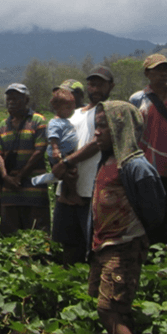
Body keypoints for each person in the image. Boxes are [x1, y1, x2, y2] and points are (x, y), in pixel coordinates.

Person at [90, 101, 165, 334]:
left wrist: (140, 240)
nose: (97, 132)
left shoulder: (136, 167)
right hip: (104, 246)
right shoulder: (107, 160)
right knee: (114, 306)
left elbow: (155, 213)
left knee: (107, 310)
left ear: (120, 127)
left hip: (125, 247)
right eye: (96, 126)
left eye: (104, 126)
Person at [51, 66, 114, 265]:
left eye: (100, 84)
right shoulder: (75, 113)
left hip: (91, 190)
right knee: (67, 245)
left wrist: (67, 161)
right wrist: (61, 163)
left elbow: (98, 143)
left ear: (110, 86)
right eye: (92, 84)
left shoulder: (109, 111)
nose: (95, 88)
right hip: (67, 191)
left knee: (92, 246)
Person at [0, 83, 50, 236]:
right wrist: (5, 177)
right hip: (10, 192)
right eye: (9, 99)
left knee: (36, 235)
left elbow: (39, 151)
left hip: (34, 191)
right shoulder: (3, 125)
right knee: (9, 235)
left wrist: (19, 176)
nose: (11, 102)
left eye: (16, 99)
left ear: (26, 100)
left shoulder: (38, 121)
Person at [131, 54, 167, 217]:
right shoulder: (138, 99)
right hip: (147, 165)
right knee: (152, 213)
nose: (163, 73)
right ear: (147, 73)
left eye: (165, 69)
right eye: (158, 70)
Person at [46, 89, 82, 205]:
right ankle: (69, 195)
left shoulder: (64, 120)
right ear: (57, 107)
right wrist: (56, 150)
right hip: (60, 153)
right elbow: (53, 137)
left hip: (67, 152)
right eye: (67, 108)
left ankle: (66, 195)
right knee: (69, 175)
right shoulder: (55, 122)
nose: (70, 111)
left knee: (69, 174)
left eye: (72, 107)